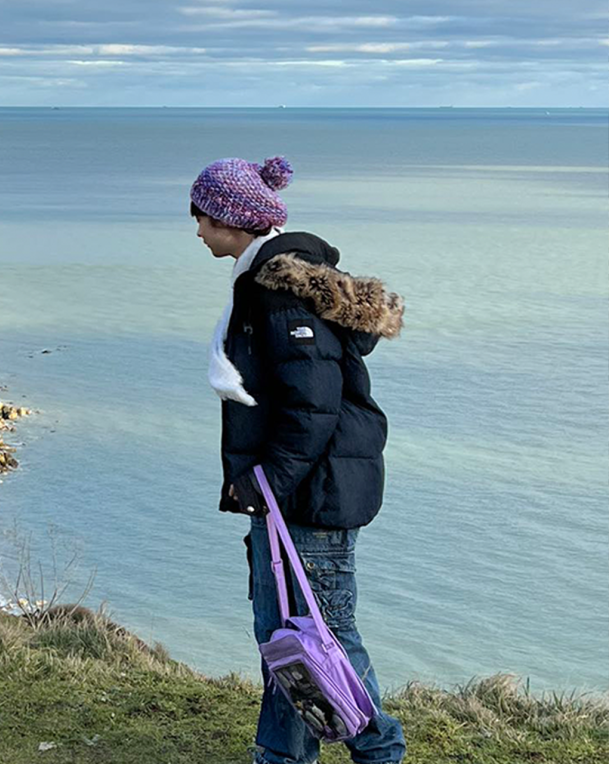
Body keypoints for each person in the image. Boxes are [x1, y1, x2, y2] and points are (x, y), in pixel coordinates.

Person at [191, 156, 408, 764]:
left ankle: (379, 750)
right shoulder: (271, 282)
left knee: (324, 636)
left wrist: (267, 484)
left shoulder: (279, 296)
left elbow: (313, 406)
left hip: (309, 495)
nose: (197, 231)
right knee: (288, 639)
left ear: (231, 220)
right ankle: (283, 757)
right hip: (300, 490)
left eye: (201, 217)